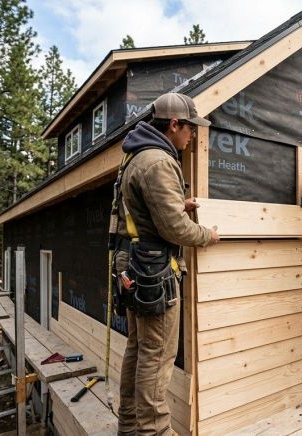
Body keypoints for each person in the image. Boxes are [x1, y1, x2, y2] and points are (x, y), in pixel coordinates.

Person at [114, 92, 219, 435]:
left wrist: (177, 204)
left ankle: (130, 427)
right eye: (190, 128)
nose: (192, 136)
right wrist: (207, 235)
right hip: (154, 271)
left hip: (134, 266)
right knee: (157, 357)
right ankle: (154, 432)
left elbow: (146, 213)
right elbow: (173, 229)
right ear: (174, 124)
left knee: (139, 349)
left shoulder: (136, 157)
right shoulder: (159, 161)